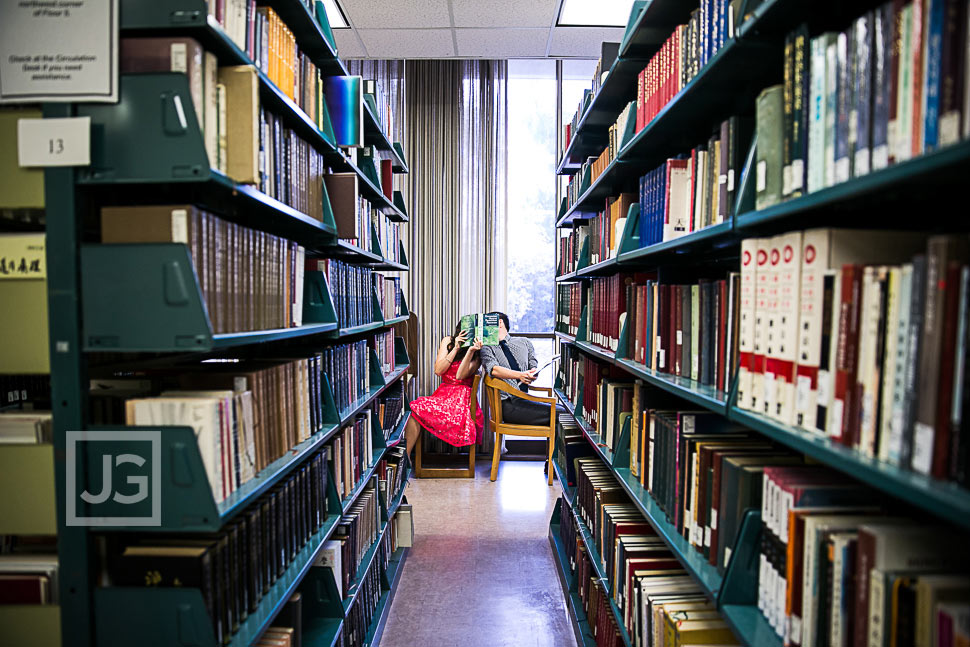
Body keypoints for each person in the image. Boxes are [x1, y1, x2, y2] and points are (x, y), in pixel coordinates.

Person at [403, 322, 485, 458]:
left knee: (417, 406)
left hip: (461, 399)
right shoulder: (448, 341)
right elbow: (438, 370)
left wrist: (470, 351)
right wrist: (456, 348)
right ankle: (406, 457)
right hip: (443, 394)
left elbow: (460, 375)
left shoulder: (477, 354)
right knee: (415, 407)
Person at [478, 312, 555, 426]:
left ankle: (556, 444)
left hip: (525, 399)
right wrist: (520, 375)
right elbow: (493, 369)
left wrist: (532, 373)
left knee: (565, 413)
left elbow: (533, 363)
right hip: (508, 404)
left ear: (499, 322)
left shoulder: (524, 342)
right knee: (559, 415)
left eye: (487, 322)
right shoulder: (486, 347)